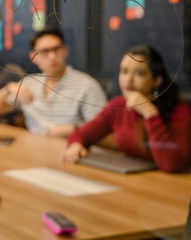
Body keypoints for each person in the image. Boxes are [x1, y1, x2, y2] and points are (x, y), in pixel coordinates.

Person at [64, 45, 191, 173]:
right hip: (132, 178)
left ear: (156, 81)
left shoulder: (180, 112)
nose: (128, 80)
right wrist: (76, 144)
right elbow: (81, 135)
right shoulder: (118, 105)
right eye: (124, 72)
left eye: (139, 73)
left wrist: (150, 113)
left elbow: (171, 164)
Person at [0, 27, 107, 137]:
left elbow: (106, 131)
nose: (52, 56)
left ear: (65, 51)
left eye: (56, 49)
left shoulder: (87, 86)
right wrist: (9, 88)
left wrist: (76, 130)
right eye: (45, 52)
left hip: (71, 152)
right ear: (33, 57)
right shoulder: (30, 83)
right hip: (34, 151)